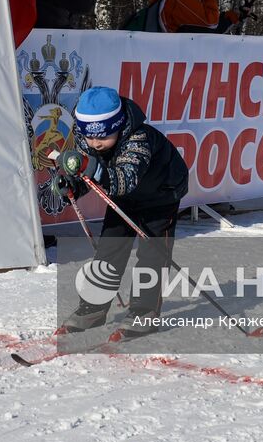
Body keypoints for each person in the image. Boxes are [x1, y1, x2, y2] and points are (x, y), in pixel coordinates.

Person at [51, 86, 189, 339]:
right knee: (109, 250)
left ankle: (144, 312)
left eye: (103, 137)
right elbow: (87, 173)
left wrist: (92, 168)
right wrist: (72, 184)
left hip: (161, 195)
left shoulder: (138, 139)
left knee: (151, 254)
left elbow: (126, 179)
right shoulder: (88, 139)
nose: (95, 144)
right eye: (89, 138)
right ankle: (92, 308)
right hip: (124, 199)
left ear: (118, 125)